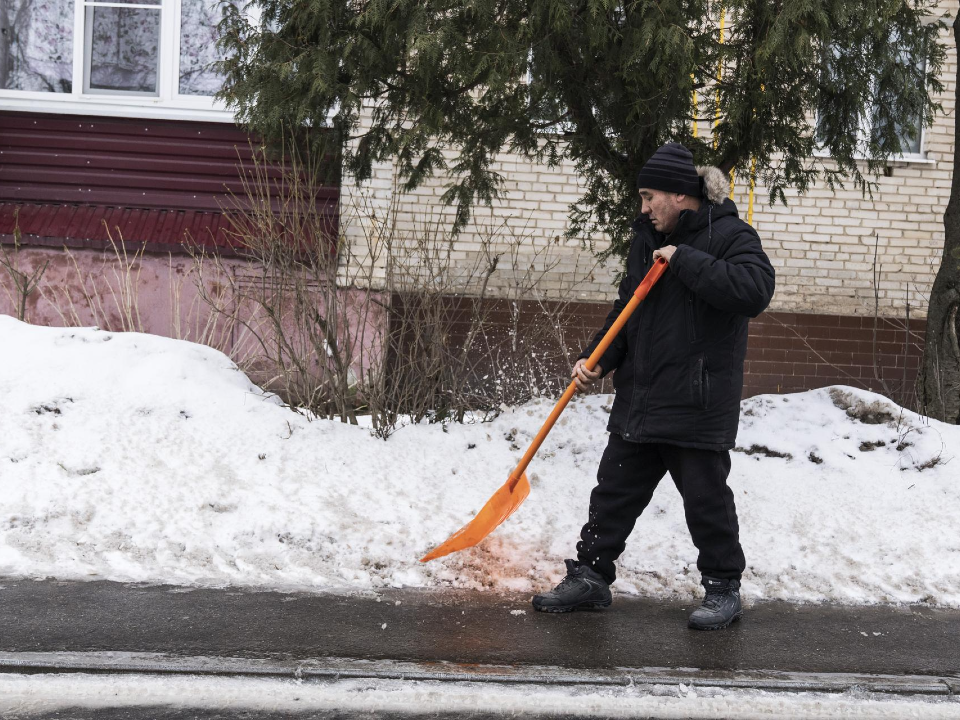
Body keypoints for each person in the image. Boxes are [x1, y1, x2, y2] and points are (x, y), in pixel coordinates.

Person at [531, 142, 776, 630]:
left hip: (697, 401)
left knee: (708, 504)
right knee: (613, 494)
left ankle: (724, 590)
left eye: (649, 197)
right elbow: (630, 307)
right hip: (641, 395)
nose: (643, 208)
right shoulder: (645, 239)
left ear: (681, 194)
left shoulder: (730, 234)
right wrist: (598, 356)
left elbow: (755, 290)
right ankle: (591, 578)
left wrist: (682, 258)